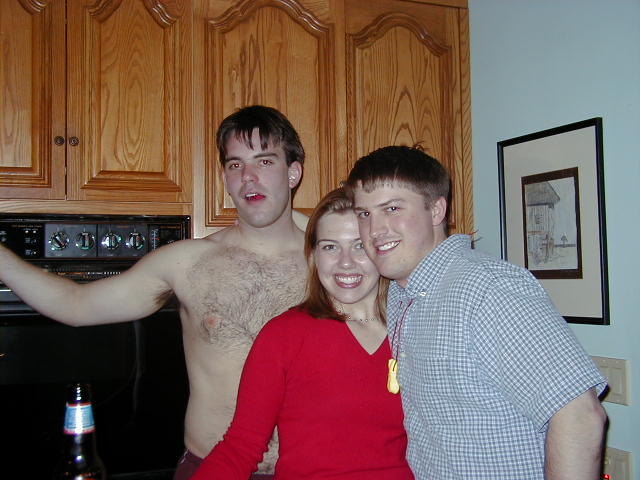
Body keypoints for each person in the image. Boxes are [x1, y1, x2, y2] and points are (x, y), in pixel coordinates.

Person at [0, 105, 309, 480]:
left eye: (265, 161)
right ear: (225, 178)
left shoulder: (333, 263)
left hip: (314, 468)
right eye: (235, 165)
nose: (248, 177)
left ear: (293, 172)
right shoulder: (187, 262)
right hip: (212, 466)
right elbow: (76, 305)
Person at [344, 145, 608, 480]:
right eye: (364, 214)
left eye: (392, 208)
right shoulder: (401, 294)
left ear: (436, 210)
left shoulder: (488, 289)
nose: (375, 230)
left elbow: (580, 416)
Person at [191, 188, 414, 480]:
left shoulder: (413, 329)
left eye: (359, 246)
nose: (346, 262)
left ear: (379, 250)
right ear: (313, 256)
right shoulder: (283, 337)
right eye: (330, 247)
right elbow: (241, 447)